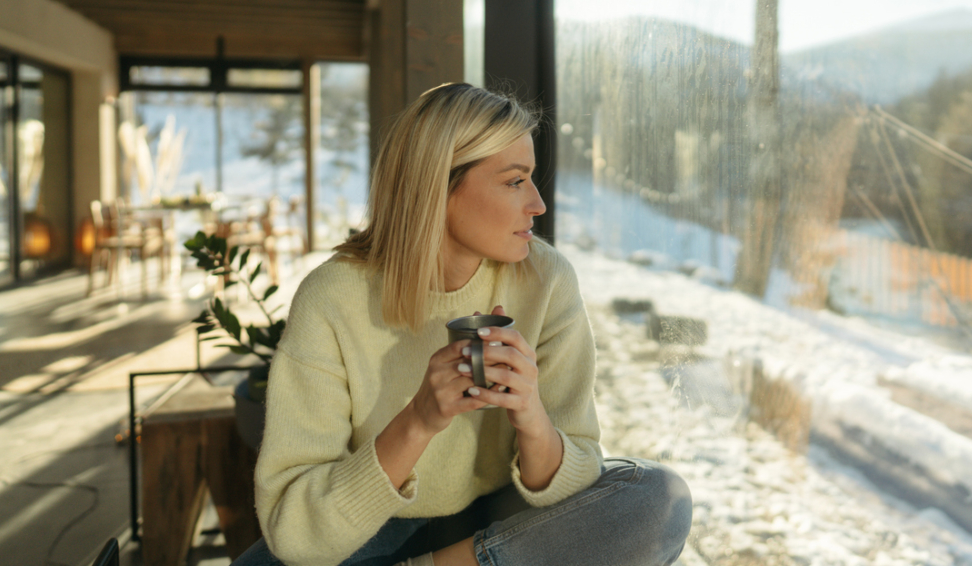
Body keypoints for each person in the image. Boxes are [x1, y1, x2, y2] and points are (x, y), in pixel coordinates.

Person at [232, 83, 692, 566]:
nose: (538, 203)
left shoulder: (546, 279)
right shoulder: (333, 298)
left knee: (655, 499)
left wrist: (531, 415)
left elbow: (575, 490)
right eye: (515, 181)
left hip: (498, 525)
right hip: (370, 529)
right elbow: (296, 532)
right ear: (438, 187)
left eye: (531, 179)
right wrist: (418, 420)